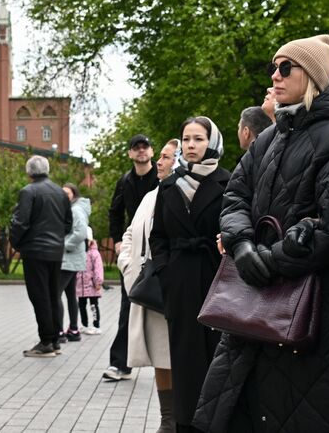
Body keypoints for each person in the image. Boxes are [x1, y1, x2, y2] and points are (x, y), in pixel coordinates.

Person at [195, 34, 329, 433]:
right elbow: (234, 197)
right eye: (274, 66)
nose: (275, 75)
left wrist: (267, 260)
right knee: (240, 411)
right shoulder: (269, 138)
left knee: (300, 414)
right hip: (251, 308)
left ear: (314, 77)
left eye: (286, 67)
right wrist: (241, 244)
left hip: (304, 313)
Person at [151, 117, 231, 433]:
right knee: (183, 359)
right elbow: (158, 237)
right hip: (180, 284)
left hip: (215, 281)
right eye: (186, 139)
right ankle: (184, 423)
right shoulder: (169, 186)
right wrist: (165, 271)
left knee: (217, 356)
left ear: (211, 142)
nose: (191, 146)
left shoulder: (229, 182)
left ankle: (216, 422)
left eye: (198, 139)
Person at [119, 139, 180, 433]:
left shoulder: (184, 193)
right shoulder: (150, 195)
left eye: (166, 158)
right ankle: (167, 420)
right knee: (160, 356)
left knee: (179, 355)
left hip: (177, 290)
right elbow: (130, 233)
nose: (159, 162)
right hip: (149, 289)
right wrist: (128, 267)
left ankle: (182, 417)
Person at [105, 133, 158, 381]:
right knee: (128, 304)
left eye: (144, 147)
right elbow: (114, 213)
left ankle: (175, 364)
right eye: (136, 148)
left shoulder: (162, 177)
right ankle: (120, 363)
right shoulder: (124, 181)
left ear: (152, 151)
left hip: (159, 248)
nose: (141, 151)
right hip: (132, 249)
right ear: (130, 153)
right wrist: (117, 242)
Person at [9, 154, 74, 357]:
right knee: (53, 295)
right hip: (55, 251)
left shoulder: (28, 192)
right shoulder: (60, 192)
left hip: (35, 251)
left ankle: (46, 341)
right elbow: (68, 223)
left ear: (29, 172)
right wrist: (56, 239)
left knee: (40, 296)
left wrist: (16, 243)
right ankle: (54, 340)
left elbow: (21, 222)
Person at [58, 182, 91, 342]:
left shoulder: (75, 210)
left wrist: (63, 246)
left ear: (74, 195)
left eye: (68, 193)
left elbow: (80, 233)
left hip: (69, 258)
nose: (64, 196)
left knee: (55, 294)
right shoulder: (72, 208)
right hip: (72, 258)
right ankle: (74, 329)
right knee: (71, 294)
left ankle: (58, 332)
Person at [76, 236, 104, 334]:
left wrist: (98, 281)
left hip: (92, 285)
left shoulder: (94, 253)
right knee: (81, 305)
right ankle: (85, 325)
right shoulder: (79, 253)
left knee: (93, 305)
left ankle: (96, 325)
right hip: (81, 285)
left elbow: (98, 268)